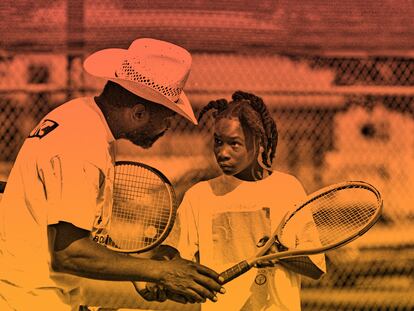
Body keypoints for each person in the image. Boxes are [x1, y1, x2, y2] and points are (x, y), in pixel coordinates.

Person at [0, 38, 224, 311]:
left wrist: (142, 265)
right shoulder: (82, 145)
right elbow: (69, 253)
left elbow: (75, 227)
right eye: (167, 118)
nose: (167, 127)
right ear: (139, 113)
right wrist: (160, 272)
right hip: (31, 299)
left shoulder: (78, 114)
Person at [167, 91, 326, 310]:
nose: (222, 152)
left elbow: (315, 268)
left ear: (259, 142)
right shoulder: (200, 196)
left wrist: (282, 255)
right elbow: (175, 260)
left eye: (234, 144)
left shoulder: (287, 189)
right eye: (218, 142)